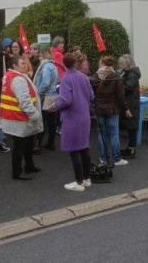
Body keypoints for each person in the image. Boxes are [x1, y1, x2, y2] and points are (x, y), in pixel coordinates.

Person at [52, 52, 94, 191]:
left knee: (74, 150)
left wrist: (55, 106)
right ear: (76, 63)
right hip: (85, 116)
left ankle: (79, 182)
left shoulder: (66, 78)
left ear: (64, 64)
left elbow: (65, 100)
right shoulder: (84, 77)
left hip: (72, 118)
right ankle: (87, 179)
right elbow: (92, 95)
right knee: (84, 148)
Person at [0, 55, 43, 180]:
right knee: (19, 147)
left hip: (17, 117)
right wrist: (35, 115)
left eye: (25, 63)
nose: (25, 65)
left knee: (27, 144)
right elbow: (25, 102)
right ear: (14, 66)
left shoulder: (10, 75)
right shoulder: (18, 79)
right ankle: (17, 172)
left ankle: (29, 165)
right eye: (22, 63)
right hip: (21, 118)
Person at [91, 56, 130, 166]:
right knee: (114, 134)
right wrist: (126, 108)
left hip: (99, 109)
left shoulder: (96, 76)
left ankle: (103, 159)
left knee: (101, 135)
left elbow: (91, 90)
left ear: (102, 64)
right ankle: (117, 159)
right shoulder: (116, 76)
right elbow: (121, 95)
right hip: (113, 110)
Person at [33, 47, 60, 151]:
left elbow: (45, 83)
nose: (39, 58)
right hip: (53, 95)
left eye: (39, 55)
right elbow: (57, 80)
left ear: (43, 56)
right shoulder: (53, 66)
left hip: (46, 97)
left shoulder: (45, 67)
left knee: (42, 121)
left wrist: (38, 93)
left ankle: (37, 145)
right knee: (51, 121)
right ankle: (50, 143)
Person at [118, 54, 140, 159]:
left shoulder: (132, 74)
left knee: (132, 128)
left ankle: (132, 150)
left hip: (131, 104)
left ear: (127, 64)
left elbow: (128, 88)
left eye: (122, 64)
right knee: (131, 127)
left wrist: (119, 84)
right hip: (131, 103)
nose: (120, 65)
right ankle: (130, 149)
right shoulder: (128, 73)